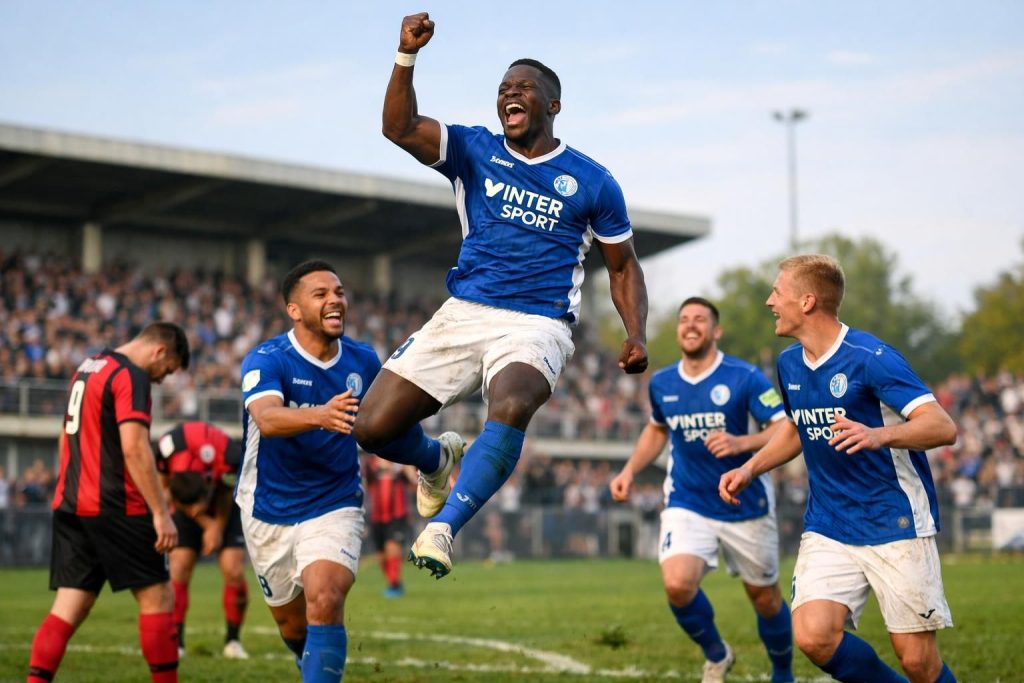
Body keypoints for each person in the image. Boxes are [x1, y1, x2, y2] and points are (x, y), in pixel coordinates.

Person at [357, 11, 649, 580]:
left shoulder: (592, 181)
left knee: (513, 402)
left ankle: (444, 530)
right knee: (371, 428)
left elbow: (623, 266)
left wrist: (635, 332)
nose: (509, 96)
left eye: (524, 89)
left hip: (536, 323)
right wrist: (405, 55)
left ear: (552, 106)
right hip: (464, 311)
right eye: (503, 90)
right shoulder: (473, 149)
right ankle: (436, 458)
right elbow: (399, 127)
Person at [719, 255, 958, 683]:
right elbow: (796, 428)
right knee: (813, 636)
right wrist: (751, 467)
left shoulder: (871, 358)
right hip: (830, 523)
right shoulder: (790, 363)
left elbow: (942, 426)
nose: (769, 300)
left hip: (894, 521)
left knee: (918, 662)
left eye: (778, 291)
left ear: (807, 301)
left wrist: (878, 435)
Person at [238, 260, 452, 682]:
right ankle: (310, 663)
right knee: (292, 626)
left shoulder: (361, 359)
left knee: (326, 596)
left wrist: (425, 446)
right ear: (294, 310)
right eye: (320, 294)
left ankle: (437, 459)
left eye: (338, 292)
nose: (335, 300)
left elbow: (384, 429)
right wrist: (320, 415)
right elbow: (267, 419)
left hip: (335, 501)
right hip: (266, 507)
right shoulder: (267, 359)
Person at [610, 297, 794, 683]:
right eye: (684, 320)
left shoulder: (744, 377)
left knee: (764, 598)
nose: (690, 326)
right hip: (688, 500)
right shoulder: (662, 382)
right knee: (677, 584)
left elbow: (783, 427)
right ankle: (717, 654)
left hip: (747, 503)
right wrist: (629, 470)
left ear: (716, 331)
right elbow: (657, 429)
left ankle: (783, 672)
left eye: (700, 320)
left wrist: (741, 443)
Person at [27, 322, 190, 683]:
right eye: (168, 370)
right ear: (160, 351)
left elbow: (65, 437)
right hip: (118, 506)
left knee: (70, 606)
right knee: (159, 599)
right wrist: (161, 513)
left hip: (71, 504)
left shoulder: (88, 367)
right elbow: (134, 447)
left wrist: (68, 487)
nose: (163, 379)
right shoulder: (131, 376)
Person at [155, 421, 249, 659]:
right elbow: (165, 493)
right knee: (180, 566)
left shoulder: (229, 455)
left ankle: (233, 640)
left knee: (234, 570)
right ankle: (177, 641)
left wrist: (216, 526)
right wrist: (204, 522)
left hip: (223, 506)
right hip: (181, 506)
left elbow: (228, 492)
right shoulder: (167, 450)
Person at [364, 455, 415, 598]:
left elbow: (414, 484)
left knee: (393, 548)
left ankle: (394, 584)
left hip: (397, 515)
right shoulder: (372, 464)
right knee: (381, 555)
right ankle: (392, 582)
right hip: (377, 515)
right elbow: (366, 485)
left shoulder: (401, 461)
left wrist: (407, 470)